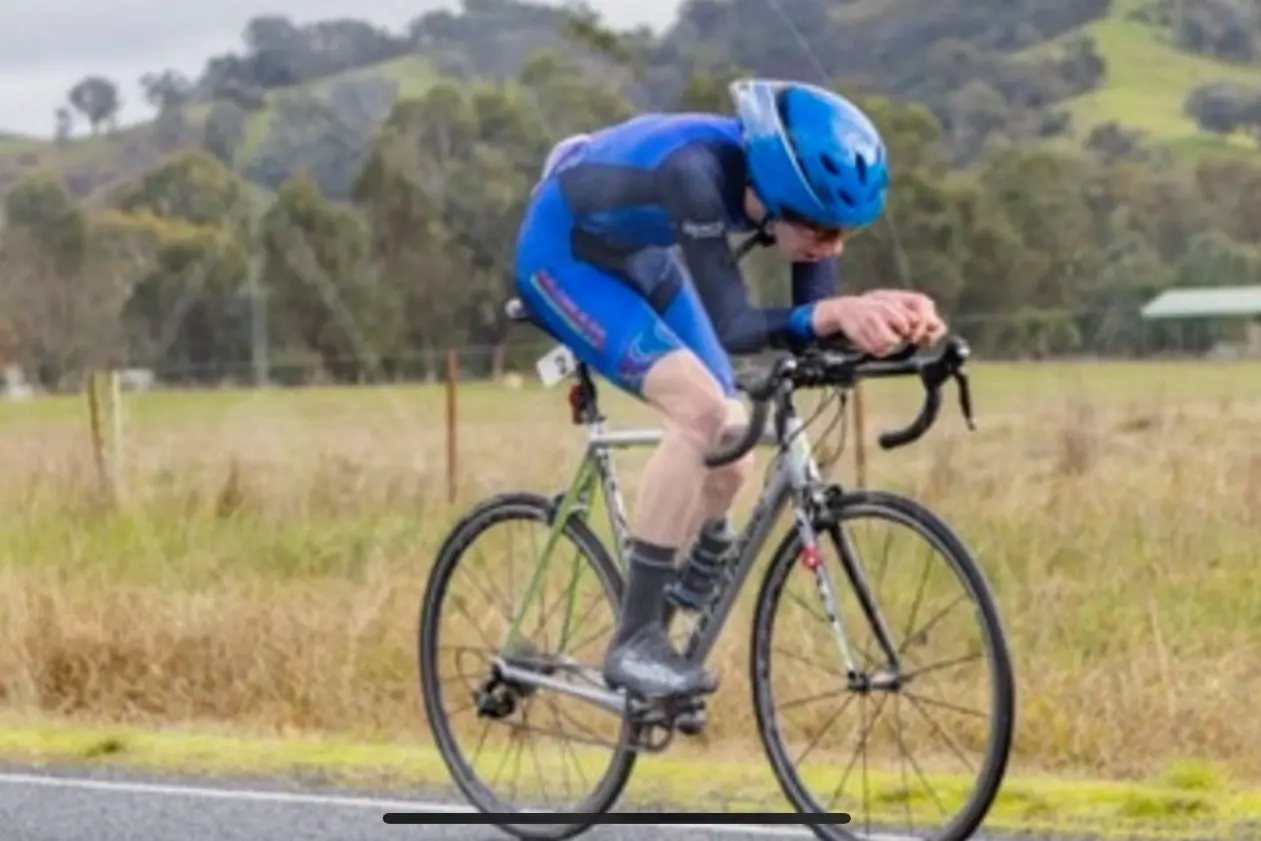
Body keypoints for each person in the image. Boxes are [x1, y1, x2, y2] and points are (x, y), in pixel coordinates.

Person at [513, 78, 947, 702]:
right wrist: (833, 315)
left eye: (845, 232)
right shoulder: (696, 172)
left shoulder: (794, 197)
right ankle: (634, 641)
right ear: (774, 194)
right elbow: (736, 326)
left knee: (735, 445)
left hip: (638, 256)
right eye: (823, 231)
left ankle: (664, 622)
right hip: (563, 256)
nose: (834, 246)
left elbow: (813, 323)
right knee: (700, 412)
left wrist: (889, 325)